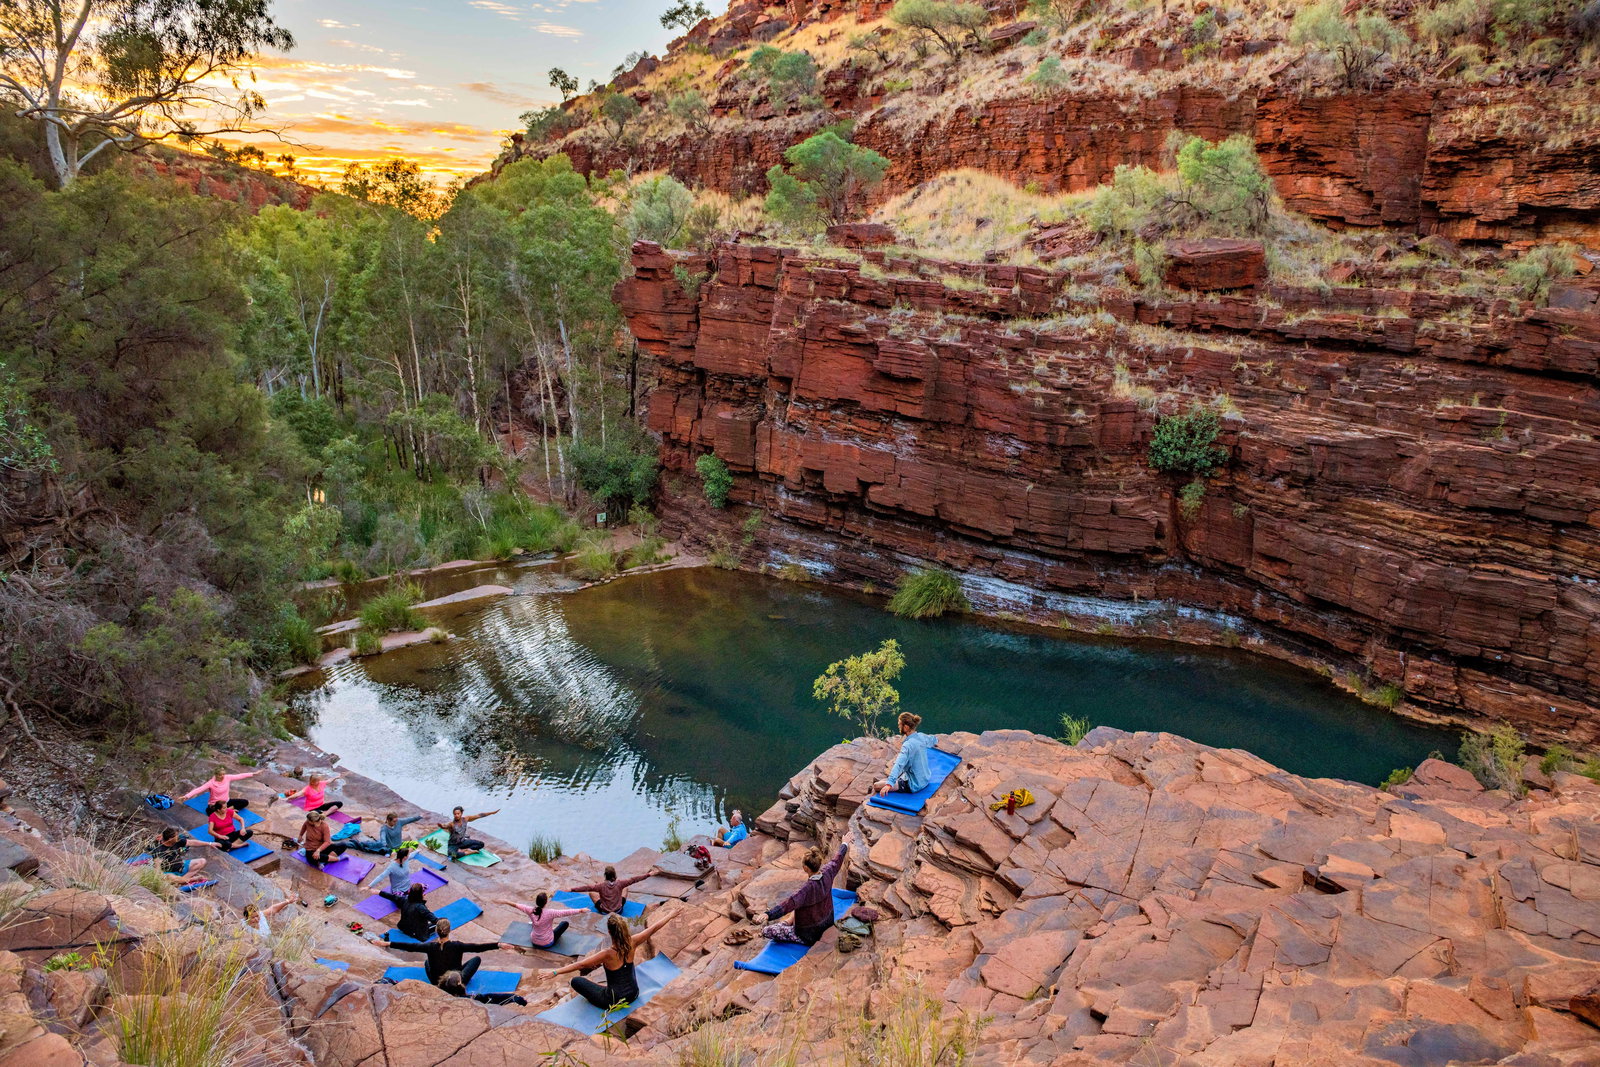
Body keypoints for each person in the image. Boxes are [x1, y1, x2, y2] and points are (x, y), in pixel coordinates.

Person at [541, 912, 672, 1011]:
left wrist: (555, 972)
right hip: (634, 994)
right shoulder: (633, 941)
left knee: (576, 981)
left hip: (613, 1001)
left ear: (609, 932)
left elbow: (581, 964)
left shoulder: (607, 954)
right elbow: (653, 928)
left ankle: (604, 991)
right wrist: (671, 914)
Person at [756, 841, 849, 946]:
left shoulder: (804, 891)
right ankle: (788, 922)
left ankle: (785, 923)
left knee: (767, 931)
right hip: (827, 923)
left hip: (808, 935)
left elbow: (786, 905)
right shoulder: (828, 872)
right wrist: (845, 843)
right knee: (798, 906)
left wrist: (768, 914)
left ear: (805, 868)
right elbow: (837, 859)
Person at [387, 917, 512, 989]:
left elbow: (410, 947)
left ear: (436, 931)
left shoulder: (430, 946)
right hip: (454, 981)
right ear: (449, 930)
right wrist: (498, 945)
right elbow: (477, 948)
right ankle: (458, 979)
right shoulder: (457, 945)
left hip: (436, 981)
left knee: (426, 962)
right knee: (476, 959)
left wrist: (388, 943)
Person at [499, 891, 584, 951]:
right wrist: (580, 910)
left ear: (536, 902)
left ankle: (539, 926)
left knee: (537, 925)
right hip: (547, 943)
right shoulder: (550, 913)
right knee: (564, 924)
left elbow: (516, 905)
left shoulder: (531, 910)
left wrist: (506, 901)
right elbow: (566, 912)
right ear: (546, 902)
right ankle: (549, 930)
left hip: (534, 941)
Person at [875, 712, 933, 797]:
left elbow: (898, 764)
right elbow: (934, 740)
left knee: (876, 785)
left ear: (906, 727)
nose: (898, 726)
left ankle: (891, 782)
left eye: (899, 724)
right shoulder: (921, 737)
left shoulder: (907, 745)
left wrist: (889, 784)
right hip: (925, 779)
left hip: (914, 785)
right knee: (891, 777)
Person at [565, 864, 657, 915]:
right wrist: (648, 874)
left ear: (605, 876)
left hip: (605, 911)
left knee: (591, 892)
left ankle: (605, 905)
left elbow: (586, 888)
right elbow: (634, 879)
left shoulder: (600, 886)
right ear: (614, 875)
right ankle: (616, 903)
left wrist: (571, 889)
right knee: (625, 888)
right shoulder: (620, 883)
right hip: (618, 910)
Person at [149, 826, 220, 884]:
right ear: (170, 839)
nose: (178, 836)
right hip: (169, 872)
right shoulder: (159, 850)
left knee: (202, 861)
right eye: (176, 835)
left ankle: (183, 880)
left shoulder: (177, 841)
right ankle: (190, 879)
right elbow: (157, 871)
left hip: (181, 866)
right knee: (169, 877)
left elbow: (192, 842)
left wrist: (209, 843)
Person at [180, 765, 259, 810]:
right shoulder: (211, 783)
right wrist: (186, 796)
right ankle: (225, 810)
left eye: (223, 774)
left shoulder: (227, 777)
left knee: (245, 802)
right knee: (210, 811)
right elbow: (199, 789)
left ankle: (227, 810)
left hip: (226, 802)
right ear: (216, 775)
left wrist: (253, 774)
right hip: (216, 804)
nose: (222, 776)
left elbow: (239, 776)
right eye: (220, 775)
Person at [348, 811, 422, 856]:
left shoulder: (399, 822)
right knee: (371, 847)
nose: (396, 822)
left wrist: (420, 817)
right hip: (391, 848)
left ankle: (406, 854)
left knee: (415, 843)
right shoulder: (384, 828)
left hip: (400, 845)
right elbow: (382, 836)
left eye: (396, 820)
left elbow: (409, 819)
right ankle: (354, 844)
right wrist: (384, 843)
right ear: (388, 820)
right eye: (394, 821)